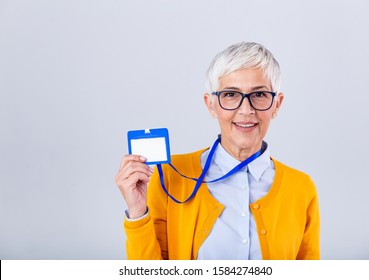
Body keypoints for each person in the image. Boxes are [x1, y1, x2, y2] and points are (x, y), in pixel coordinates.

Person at [115, 42, 320, 260]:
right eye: (231, 94)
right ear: (211, 104)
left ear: (276, 104)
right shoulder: (170, 177)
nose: (246, 109)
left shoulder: (301, 188)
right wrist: (138, 214)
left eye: (259, 95)